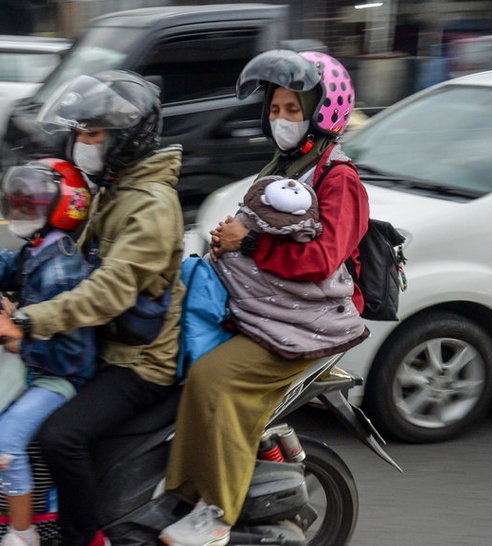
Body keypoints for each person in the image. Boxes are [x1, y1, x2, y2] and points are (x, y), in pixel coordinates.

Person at [159, 50, 371, 546]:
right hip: (270, 307)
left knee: (217, 380)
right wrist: (229, 241)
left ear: (322, 111)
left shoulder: (339, 179)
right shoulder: (288, 163)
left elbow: (320, 258)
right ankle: (184, 491)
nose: (281, 119)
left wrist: (248, 244)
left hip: (310, 321)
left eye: (292, 110)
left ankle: (215, 515)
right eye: (275, 110)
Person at [0, 69, 185, 546]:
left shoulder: (151, 205)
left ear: (126, 136)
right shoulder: (114, 188)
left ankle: (85, 537)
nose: (81, 142)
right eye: (80, 132)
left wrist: (28, 321)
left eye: (93, 132)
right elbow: (57, 251)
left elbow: (110, 290)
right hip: (103, 340)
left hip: (140, 361)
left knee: (59, 436)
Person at [0, 158, 97, 546]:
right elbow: (11, 265)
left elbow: (71, 356)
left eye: (29, 206)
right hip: (39, 366)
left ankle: (23, 534)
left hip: (61, 378)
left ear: (61, 207)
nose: (19, 212)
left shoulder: (60, 268)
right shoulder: (41, 248)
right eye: (15, 204)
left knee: (3, 438)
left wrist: (16, 338)